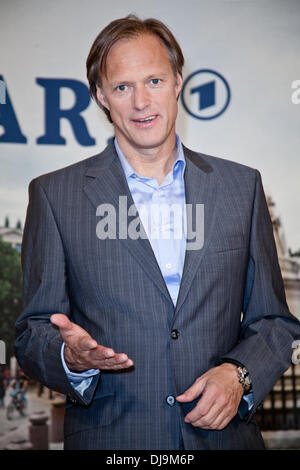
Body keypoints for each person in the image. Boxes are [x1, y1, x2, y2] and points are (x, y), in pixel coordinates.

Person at [15, 14, 300, 450]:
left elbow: (275, 322)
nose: (141, 102)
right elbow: (33, 332)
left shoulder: (242, 188)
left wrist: (239, 375)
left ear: (178, 83)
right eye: (123, 87)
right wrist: (70, 357)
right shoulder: (55, 196)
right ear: (101, 97)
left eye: (154, 81)